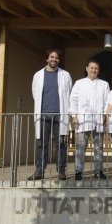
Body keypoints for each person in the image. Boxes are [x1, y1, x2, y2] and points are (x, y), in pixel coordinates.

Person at [29, 49, 72, 181]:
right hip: (43, 115)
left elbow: (69, 94)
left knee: (61, 144)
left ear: (59, 60)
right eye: (51, 57)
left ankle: (61, 171)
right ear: (47, 59)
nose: (54, 59)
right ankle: (39, 171)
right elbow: (34, 93)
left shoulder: (65, 75)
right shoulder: (38, 75)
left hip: (60, 115)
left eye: (57, 57)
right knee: (42, 144)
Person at [69, 59, 110, 180]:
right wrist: (74, 116)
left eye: (96, 68)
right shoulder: (79, 83)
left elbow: (108, 102)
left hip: (99, 119)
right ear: (86, 68)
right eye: (91, 68)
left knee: (99, 147)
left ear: (99, 70)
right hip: (83, 119)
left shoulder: (104, 84)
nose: (94, 70)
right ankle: (78, 171)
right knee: (81, 146)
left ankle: (98, 171)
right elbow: (73, 100)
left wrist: (105, 116)